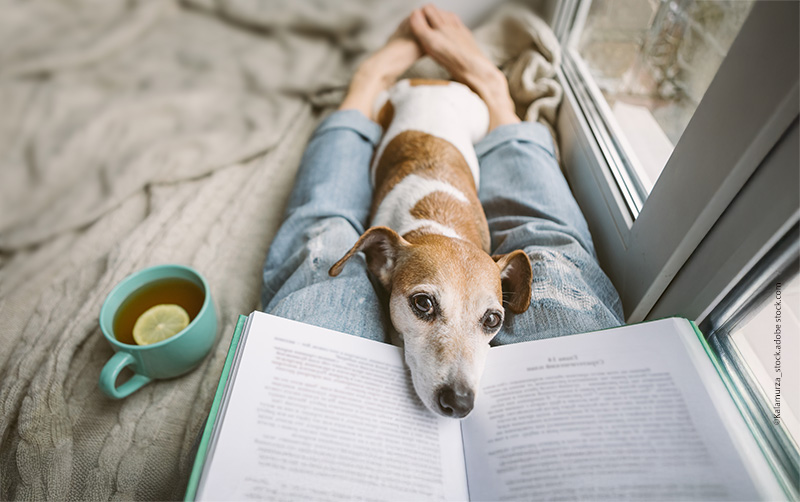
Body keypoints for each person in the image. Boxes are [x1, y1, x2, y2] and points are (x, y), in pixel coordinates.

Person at [261, 5, 623, 348]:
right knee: (552, 246)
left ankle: (378, 89)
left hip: (450, 116)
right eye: (424, 304)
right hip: (403, 105)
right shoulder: (394, 256)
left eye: (490, 319)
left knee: (324, 231)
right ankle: (466, 93)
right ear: (383, 260)